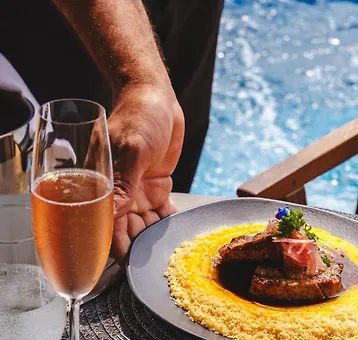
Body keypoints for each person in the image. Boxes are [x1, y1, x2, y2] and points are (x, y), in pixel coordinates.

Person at [0, 0, 224, 266]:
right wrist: (141, 83)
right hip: (74, 18)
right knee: (77, 201)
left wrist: (149, 89)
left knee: (158, 173)